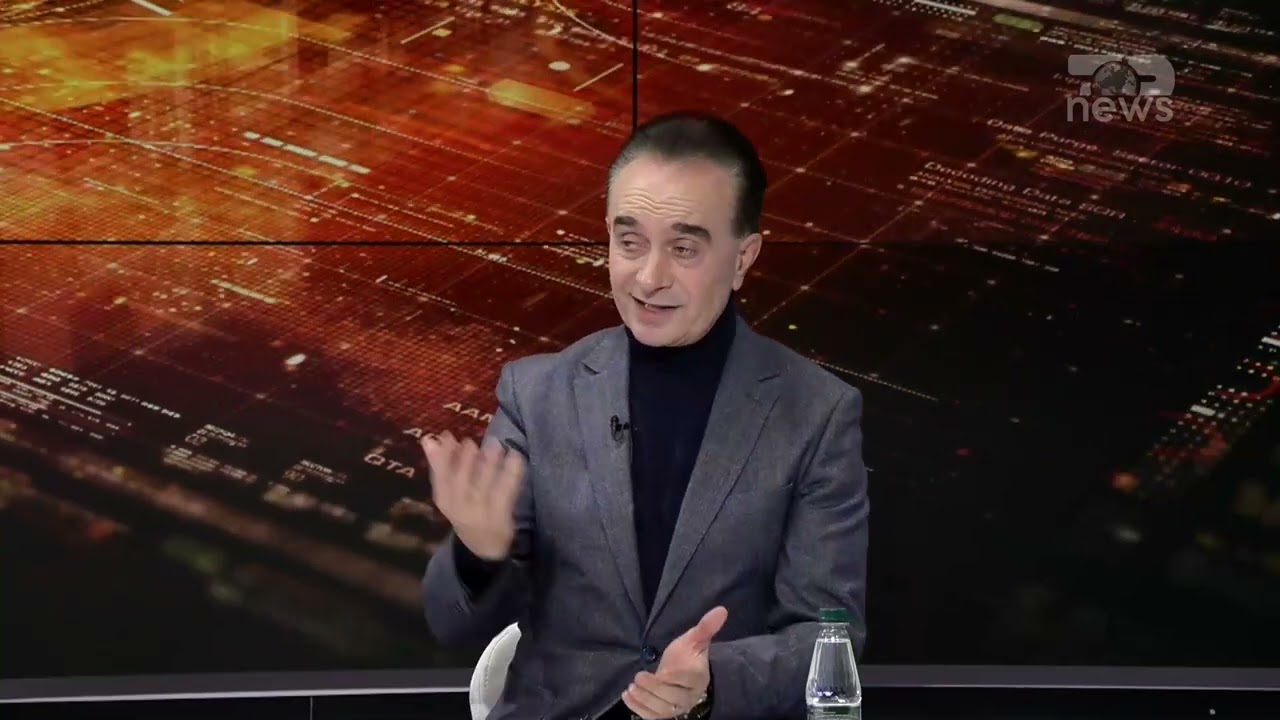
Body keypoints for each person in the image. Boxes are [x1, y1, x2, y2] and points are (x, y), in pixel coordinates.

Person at [421, 111, 869, 720]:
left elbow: (829, 634)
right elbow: (451, 626)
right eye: (629, 243)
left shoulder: (816, 413)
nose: (649, 277)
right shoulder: (537, 394)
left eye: (684, 249)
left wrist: (712, 682)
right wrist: (478, 555)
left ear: (743, 257)